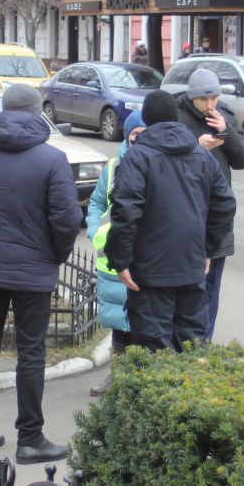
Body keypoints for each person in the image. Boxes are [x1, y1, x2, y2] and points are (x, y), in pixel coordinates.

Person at [0, 83, 82, 464]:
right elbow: (66, 219)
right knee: (30, 352)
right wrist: (55, 255)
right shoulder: (52, 158)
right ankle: (30, 438)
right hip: (33, 271)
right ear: (38, 111)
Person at [105, 91, 236, 354]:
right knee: (189, 347)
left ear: (147, 118)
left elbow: (125, 211)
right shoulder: (201, 156)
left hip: (150, 272)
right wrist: (207, 248)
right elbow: (225, 205)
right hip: (190, 265)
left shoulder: (138, 156)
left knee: (154, 350)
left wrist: (120, 260)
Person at [173, 68, 244, 340]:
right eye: (204, 99)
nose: (210, 105)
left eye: (214, 98)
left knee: (210, 290)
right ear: (192, 97)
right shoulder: (176, 117)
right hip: (183, 216)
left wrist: (226, 132)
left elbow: (243, 159)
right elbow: (162, 157)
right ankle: (183, 346)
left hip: (216, 219)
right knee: (184, 291)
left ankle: (203, 346)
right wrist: (196, 145)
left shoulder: (225, 115)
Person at [86, 111, 145, 397]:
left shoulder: (157, 164)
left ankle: (141, 378)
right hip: (113, 257)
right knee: (118, 320)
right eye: (136, 135)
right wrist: (94, 229)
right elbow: (97, 202)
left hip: (145, 255)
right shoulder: (113, 167)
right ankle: (118, 375)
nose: (140, 141)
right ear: (127, 136)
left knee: (144, 320)